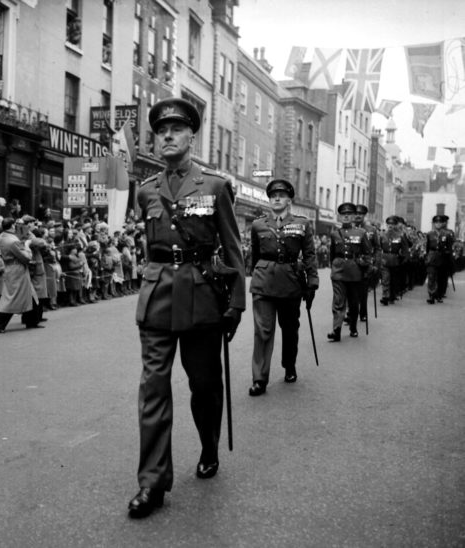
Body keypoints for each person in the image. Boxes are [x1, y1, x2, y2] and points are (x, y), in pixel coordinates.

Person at [128, 97, 245, 518]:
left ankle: (209, 444)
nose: (167, 137)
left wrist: (236, 303)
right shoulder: (144, 190)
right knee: (153, 392)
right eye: (161, 131)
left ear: (191, 136)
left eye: (176, 130)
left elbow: (231, 246)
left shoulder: (214, 185)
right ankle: (152, 484)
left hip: (201, 299)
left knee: (204, 387)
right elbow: (150, 248)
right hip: (157, 298)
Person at [247, 179, 318, 397]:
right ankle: (259, 379)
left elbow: (309, 255)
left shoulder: (302, 224)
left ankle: (289, 365)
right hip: (263, 283)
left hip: (290, 283)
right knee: (263, 331)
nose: (276, 198)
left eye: (281, 195)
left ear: (289, 200)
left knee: (289, 329)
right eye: (273, 195)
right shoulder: (258, 225)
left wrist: (312, 283)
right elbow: (256, 255)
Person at [326, 203, 372, 342]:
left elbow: (367, 253)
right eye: (343, 214)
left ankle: (353, 327)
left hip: (354, 272)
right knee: (338, 302)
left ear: (353, 216)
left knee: (353, 302)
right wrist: (333, 267)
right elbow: (332, 254)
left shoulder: (361, 233)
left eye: (349, 214)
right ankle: (336, 330)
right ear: (339, 216)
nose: (346, 216)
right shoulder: (334, 234)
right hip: (339, 272)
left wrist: (363, 264)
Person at [0, 217, 39, 333]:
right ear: (12, 226)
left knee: (30, 293)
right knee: (11, 298)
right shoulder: (12, 240)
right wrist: (27, 245)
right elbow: (26, 257)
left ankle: (31, 321)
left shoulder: (3, 236)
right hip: (17, 270)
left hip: (12, 268)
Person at [379, 216, 410, 306]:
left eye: (392, 224)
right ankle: (385, 296)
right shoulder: (382, 235)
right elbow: (379, 247)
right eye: (389, 224)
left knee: (393, 280)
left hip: (396, 260)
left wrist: (405, 259)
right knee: (385, 279)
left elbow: (405, 249)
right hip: (385, 259)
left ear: (396, 225)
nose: (390, 226)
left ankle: (392, 296)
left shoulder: (400, 236)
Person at [425, 214, 455, 304]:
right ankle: (431, 295)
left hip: (443, 258)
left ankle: (439, 295)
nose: (438, 224)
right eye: (436, 222)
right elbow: (427, 247)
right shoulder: (430, 234)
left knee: (441, 278)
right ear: (434, 224)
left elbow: (450, 248)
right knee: (431, 277)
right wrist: (427, 257)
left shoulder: (447, 234)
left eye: (440, 222)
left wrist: (450, 260)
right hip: (432, 257)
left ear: (443, 224)